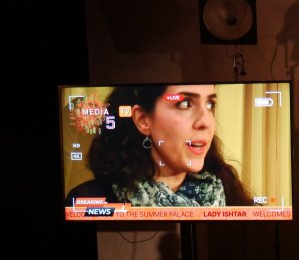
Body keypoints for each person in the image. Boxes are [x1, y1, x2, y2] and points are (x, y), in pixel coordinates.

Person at [65, 84, 254, 207]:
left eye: (210, 105)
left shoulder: (231, 196)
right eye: (185, 103)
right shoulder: (88, 200)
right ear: (143, 119)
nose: (205, 122)